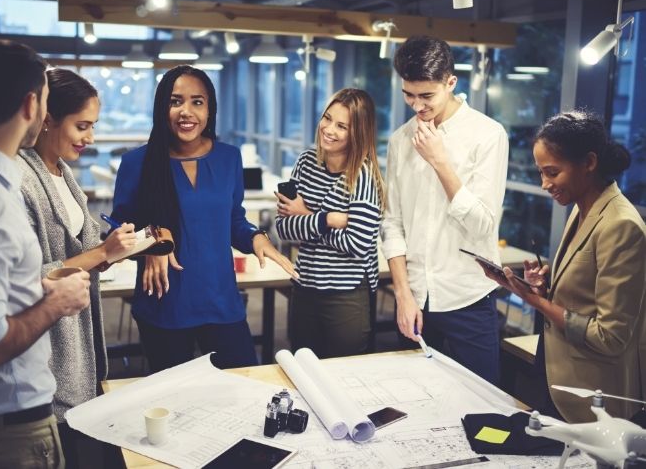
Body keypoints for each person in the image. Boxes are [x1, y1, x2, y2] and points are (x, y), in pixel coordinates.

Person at [0, 40, 90, 469]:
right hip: (5, 429)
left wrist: (35, 286)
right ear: (31, 104)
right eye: (46, 101)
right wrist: (55, 303)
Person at [112, 64, 296, 372]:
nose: (186, 111)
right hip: (164, 306)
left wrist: (256, 237)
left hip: (221, 302)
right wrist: (152, 242)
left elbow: (234, 221)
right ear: (162, 107)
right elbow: (118, 232)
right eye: (175, 101)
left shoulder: (228, 158)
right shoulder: (137, 163)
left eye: (197, 102)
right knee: (174, 405)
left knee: (241, 389)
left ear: (210, 109)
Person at [480, 111, 645, 423]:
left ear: (589, 163)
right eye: (542, 173)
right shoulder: (582, 209)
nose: (545, 184)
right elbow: (583, 294)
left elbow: (610, 336)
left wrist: (536, 302)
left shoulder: (621, 225)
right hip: (561, 375)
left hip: (596, 399)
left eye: (552, 172)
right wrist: (542, 288)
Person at [17, 68, 137, 467]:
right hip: (48, 348)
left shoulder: (63, 172)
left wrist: (117, 248)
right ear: (47, 118)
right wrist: (103, 252)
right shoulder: (20, 178)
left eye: (94, 126)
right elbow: (33, 278)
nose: (91, 138)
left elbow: (87, 251)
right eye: (82, 126)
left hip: (79, 344)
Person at [381, 35, 509, 385]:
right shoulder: (399, 140)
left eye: (427, 96)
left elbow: (482, 226)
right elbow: (392, 225)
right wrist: (403, 295)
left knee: (485, 409)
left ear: (451, 82)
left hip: (468, 296)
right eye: (409, 94)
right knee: (416, 400)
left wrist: (440, 162)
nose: (417, 106)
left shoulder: (488, 135)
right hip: (416, 298)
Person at [275, 88, 385, 358]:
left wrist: (306, 216)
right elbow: (283, 228)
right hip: (304, 288)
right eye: (327, 119)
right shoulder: (306, 162)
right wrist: (330, 219)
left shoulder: (363, 174)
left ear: (357, 133)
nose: (329, 129)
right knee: (302, 367)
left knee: (344, 375)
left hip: (345, 295)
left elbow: (358, 244)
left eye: (341, 126)